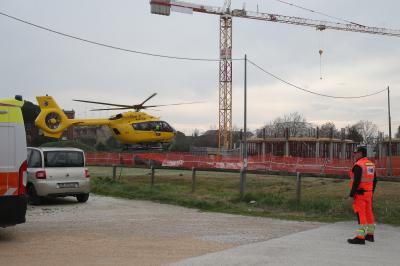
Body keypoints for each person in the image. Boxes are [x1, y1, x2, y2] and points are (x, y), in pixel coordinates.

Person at [347, 146, 378, 245]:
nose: (354, 154)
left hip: (360, 194)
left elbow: (356, 181)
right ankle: (370, 234)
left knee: (361, 215)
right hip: (368, 193)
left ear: (360, 153)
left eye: (355, 152)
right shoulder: (371, 164)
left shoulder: (359, 165)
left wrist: (351, 195)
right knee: (369, 213)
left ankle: (360, 237)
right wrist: (371, 192)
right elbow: (375, 180)